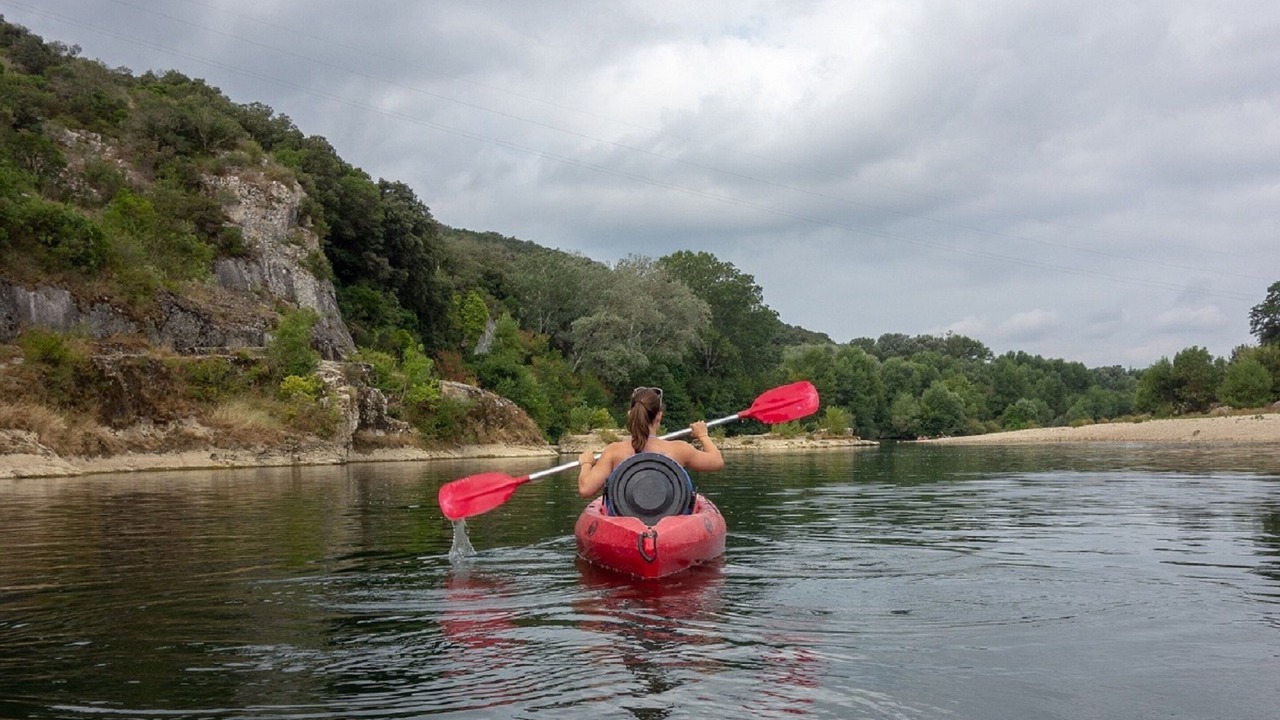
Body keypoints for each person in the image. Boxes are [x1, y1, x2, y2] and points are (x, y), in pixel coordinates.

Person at [577, 386, 724, 498]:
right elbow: (717, 461)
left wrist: (586, 464)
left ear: (630, 415)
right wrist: (703, 435)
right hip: (668, 523)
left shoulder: (614, 451)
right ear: (659, 416)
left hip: (627, 522)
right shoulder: (679, 449)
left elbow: (585, 489)